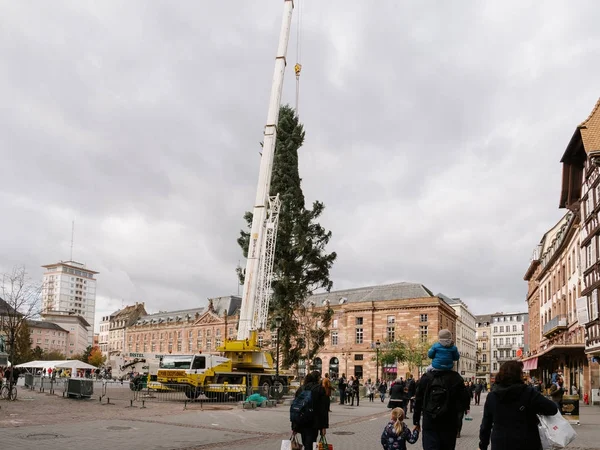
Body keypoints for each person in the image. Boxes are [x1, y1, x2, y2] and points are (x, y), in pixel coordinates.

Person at [479, 360, 558, 450]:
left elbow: (486, 424)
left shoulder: (492, 396)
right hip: (527, 443)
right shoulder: (529, 392)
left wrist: (483, 445)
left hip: (501, 443)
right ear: (518, 375)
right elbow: (552, 409)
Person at [413, 367, 470, 450]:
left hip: (430, 422)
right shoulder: (455, 377)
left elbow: (418, 401)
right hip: (449, 423)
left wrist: (416, 421)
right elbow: (464, 401)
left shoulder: (426, 377)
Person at [291, 371, 329, 449]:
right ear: (318, 378)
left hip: (301, 421)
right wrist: (323, 426)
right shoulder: (319, 389)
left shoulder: (301, 388)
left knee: (306, 442)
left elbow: (296, 407)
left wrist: (294, 426)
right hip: (313, 422)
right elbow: (323, 410)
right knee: (310, 444)